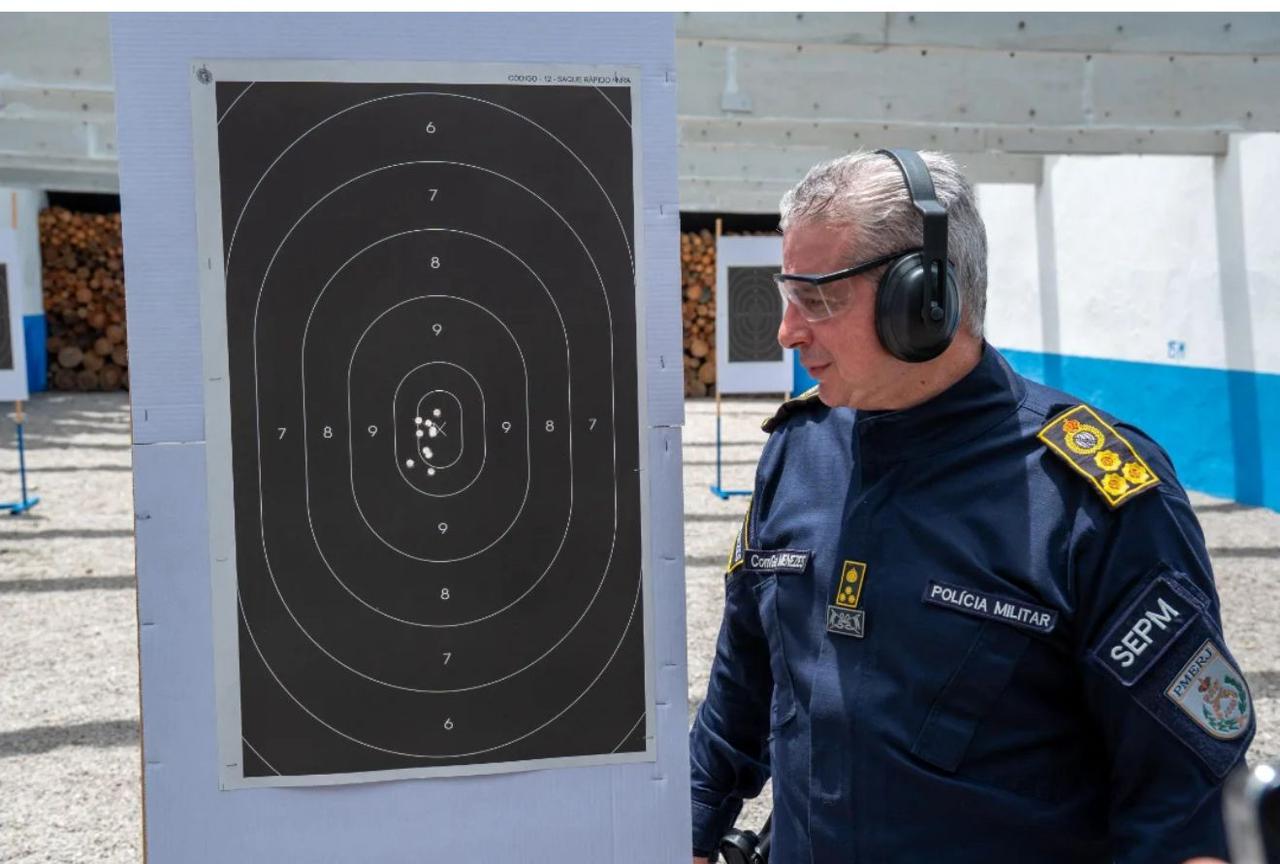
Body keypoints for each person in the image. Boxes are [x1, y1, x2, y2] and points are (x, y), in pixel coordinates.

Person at [689, 150, 1253, 864]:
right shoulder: (797, 453)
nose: (788, 332)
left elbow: (1187, 805)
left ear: (922, 299)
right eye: (785, 293)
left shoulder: (1092, 499)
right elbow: (742, 686)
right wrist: (693, 825)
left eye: (819, 298)